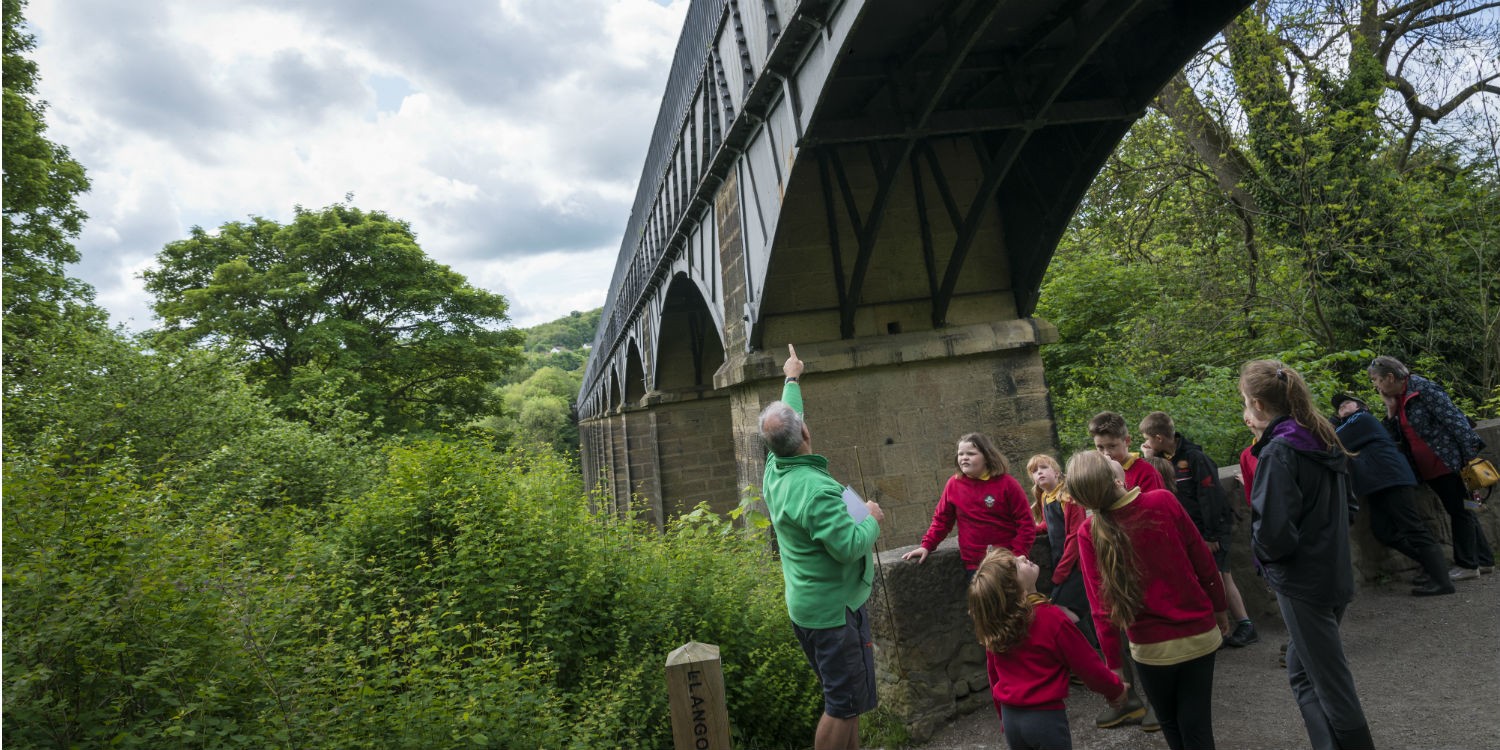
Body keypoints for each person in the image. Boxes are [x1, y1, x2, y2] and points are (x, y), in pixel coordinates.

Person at [1242, 360, 1375, 750]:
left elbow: (1272, 532)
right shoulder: (1321, 436)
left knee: (1332, 685)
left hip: (1303, 584)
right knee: (1302, 673)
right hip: (1332, 573)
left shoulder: (1280, 452)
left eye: (1246, 406)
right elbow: (1350, 507)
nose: (1246, 415)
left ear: (1259, 406)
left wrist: (1269, 561)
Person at [760, 344, 886, 750]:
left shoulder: (775, 468)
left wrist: (792, 377)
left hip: (810, 605)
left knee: (849, 701)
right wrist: (869, 516)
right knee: (841, 705)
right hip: (834, 614)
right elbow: (849, 546)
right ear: (806, 436)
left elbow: (788, 420)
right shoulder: (815, 491)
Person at [1069, 450, 1229, 750]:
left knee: (1169, 722)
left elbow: (1101, 609)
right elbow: (1203, 561)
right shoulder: (1162, 501)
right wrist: (1221, 609)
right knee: (1197, 726)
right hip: (1199, 634)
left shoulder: (1088, 531)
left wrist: (1114, 666)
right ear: (1113, 477)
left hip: (1149, 648)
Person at [968, 547, 1130, 750]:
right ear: (1016, 589)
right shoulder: (1052, 619)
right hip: (1043, 719)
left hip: (1011, 718)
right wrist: (1115, 690)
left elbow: (994, 676)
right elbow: (1087, 664)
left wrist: (1003, 717)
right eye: (1015, 565)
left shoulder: (997, 624)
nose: (1021, 556)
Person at [1368, 355, 1495, 581]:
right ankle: (1484, 561)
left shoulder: (1423, 389)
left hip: (1448, 463)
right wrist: (1390, 409)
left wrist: (1468, 459)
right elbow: (1393, 435)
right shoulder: (1400, 398)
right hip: (1430, 468)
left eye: (1376, 380)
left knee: (1461, 511)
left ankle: (1468, 565)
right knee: (1464, 509)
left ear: (1389, 377)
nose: (1375, 385)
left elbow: (1455, 421)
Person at [1140, 411, 1259, 648]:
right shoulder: (1165, 459)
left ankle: (1244, 624)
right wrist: (1150, 457)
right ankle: (1219, 627)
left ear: (1159, 437)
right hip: (1191, 530)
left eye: (1147, 438)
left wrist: (1211, 535)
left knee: (1220, 575)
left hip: (1211, 529)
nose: (1144, 443)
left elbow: (1211, 496)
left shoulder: (1194, 458)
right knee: (1210, 577)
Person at [1079, 410, 1163, 731]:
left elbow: (1154, 514)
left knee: (1145, 641)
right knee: (1116, 637)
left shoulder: (1143, 471)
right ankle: (1127, 701)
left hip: (1139, 567)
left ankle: (1158, 702)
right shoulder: (1095, 474)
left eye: (1111, 446)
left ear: (1127, 441)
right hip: (1108, 565)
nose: (1105, 454)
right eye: (1099, 447)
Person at [1332, 393, 1455, 596]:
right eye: (1339, 406)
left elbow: (1335, 441)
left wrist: (1332, 423)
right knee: (1384, 531)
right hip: (1376, 484)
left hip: (1390, 478)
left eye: (1348, 402)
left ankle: (1442, 581)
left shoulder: (1361, 419)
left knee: (1414, 528)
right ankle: (1430, 567)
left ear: (1362, 406)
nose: (1343, 406)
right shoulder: (1350, 424)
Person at [903, 433, 1036, 577]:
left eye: (971, 454)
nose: (964, 457)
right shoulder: (953, 484)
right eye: (960, 454)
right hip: (974, 565)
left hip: (1008, 562)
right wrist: (926, 546)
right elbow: (942, 520)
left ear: (986, 456)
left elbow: (1026, 523)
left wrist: (1018, 554)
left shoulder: (1007, 484)